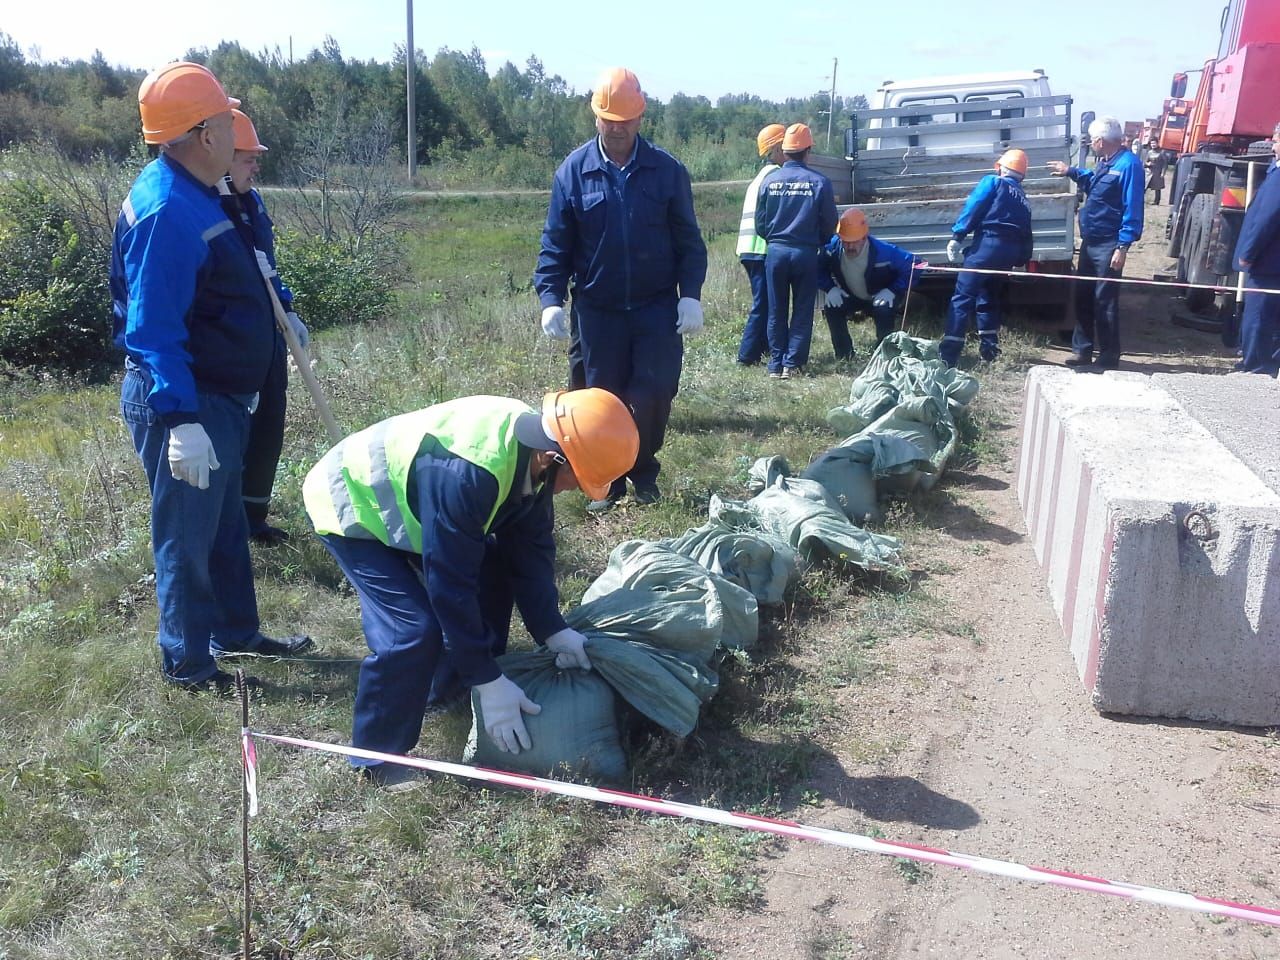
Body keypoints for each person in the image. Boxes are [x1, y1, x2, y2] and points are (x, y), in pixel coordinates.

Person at [302, 388, 640, 785]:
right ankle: (376, 758)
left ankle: (452, 687)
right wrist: (490, 680)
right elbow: (449, 582)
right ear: (553, 457)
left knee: (494, 574)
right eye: (578, 480)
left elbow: (530, 552)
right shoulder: (468, 474)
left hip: (418, 503)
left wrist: (552, 629)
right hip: (354, 504)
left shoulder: (534, 453)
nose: (575, 490)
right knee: (410, 631)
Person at [110, 62, 312, 695]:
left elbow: (242, 274)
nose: (233, 128)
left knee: (224, 527)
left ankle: (237, 634)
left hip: (221, 398)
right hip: (186, 404)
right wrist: (180, 419)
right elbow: (153, 327)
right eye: (226, 119)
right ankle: (189, 666)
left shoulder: (203, 192)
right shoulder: (167, 210)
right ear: (203, 135)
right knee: (186, 536)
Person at [534, 67, 707, 512]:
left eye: (625, 119)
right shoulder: (573, 173)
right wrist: (551, 298)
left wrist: (690, 293)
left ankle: (644, 471)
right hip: (597, 311)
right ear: (596, 117)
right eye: (609, 119)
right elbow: (556, 242)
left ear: (640, 118)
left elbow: (688, 240)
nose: (617, 127)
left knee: (653, 392)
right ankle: (606, 482)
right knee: (598, 398)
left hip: (654, 308)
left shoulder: (666, 171)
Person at [217, 108, 309, 545]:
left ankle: (254, 518)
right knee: (235, 432)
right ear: (221, 155)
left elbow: (266, 268)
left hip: (266, 333)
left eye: (256, 158)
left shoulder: (251, 201)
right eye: (248, 157)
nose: (256, 166)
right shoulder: (206, 208)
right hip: (229, 343)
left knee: (270, 424)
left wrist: (287, 309)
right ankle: (227, 522)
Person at [1049, 116, 1144, 370]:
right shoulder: (1105, 162)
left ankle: (1109, 356)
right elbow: (1094, 182)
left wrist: (1122, 246)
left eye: (1092, 141)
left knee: (1105, 300)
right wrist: (1071, 171)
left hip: (1109, 244)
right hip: (1091, 243)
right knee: (1083, 296)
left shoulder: (1128, 165)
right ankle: (1082, 351)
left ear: (1101, 141)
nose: (1090, 144)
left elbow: (1133, 207)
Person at [754, 122, 838, 379]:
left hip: (776, 252)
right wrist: (817, 242)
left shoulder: (770, 181)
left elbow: (760, 223)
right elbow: (829, 223)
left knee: (776, 309)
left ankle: (775, 365)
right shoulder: (820, 182)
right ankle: (793, 364)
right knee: (802, 309)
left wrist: (776, 239)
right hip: (805, 253)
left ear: (785, 150)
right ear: (807, 150)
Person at [940, 148, 1035, 366]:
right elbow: (1027, 232)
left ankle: (949, 355)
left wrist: (958, 235)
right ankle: (990, 349)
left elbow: (974, 206)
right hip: (1008, 254)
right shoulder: (1023, 198)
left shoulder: (993, 182)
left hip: (988, 245)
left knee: (962, 298)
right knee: (989, 297)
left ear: (1001, 167)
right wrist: (1022, 259)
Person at [817, 208, 915, 360]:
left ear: (864, 237)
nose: (849, 247)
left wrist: (892, 290)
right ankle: (844, 355)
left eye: (854, 242)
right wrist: (830, 289)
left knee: (883, 309)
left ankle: (885, 355)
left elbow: (915, 265)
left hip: (880, 295)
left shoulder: (884, 251)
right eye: (846, 242)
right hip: (852, 295)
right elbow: (816, 268)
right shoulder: (832, 248)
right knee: (832, 307)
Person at [735, 123, 786, 366]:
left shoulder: (762, 176)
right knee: (763, 303)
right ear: (776, 149)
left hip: (750, 248)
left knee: (764, 301)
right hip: (759, 249)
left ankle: (761, 349)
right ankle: (746, 356)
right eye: (786, 145)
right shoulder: (776, 176)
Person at [1233, 124, 1280, 377]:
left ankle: (1256, 366)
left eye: (1275, 140)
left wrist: (1248, 254)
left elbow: (1266, 219)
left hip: (1267, 262)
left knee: (1258, 316)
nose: (1272, 145)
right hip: (1274, 262)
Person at [1146, 141, 1169, 205]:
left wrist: (1163, 173)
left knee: (1157, 187)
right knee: (1144, 186)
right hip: (1149, 172)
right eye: (1151, 143)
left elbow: (1165, 163)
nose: (1153, 145)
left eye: (1154, 143)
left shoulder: (1162, 152)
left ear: (1157, 144)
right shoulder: (1149, 152)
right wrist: (1148, 163)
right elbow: (1146, 161)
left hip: (1158, 172)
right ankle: (1140, 200)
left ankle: (1156, 201)